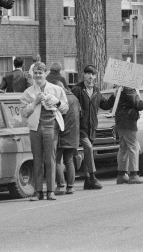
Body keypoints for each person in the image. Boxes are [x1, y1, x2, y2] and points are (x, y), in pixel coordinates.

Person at [20, 62, 68, 201]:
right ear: (32, 74)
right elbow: (23, 113)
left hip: (51, 126)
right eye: (35, 73)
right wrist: (34, 103)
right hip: (35, 127)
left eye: (40, 73)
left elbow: (65, 108)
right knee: (37, 159)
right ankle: (38, 191)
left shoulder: (57, 89)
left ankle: (51, 191)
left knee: (50, 159)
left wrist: (56, 102)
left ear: (46, 73)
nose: (38, 75)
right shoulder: (28, 92)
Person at [71, 65, 115, 189]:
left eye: (93, 74)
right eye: (88, 74)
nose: (90, 76)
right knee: (89, 148)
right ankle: (93, 176)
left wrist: (114, 96)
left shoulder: (96, 91)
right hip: (80, 127)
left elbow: (105, 105)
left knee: (87, 153)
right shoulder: (77, 90)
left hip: (92, 127)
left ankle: (87, 181)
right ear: (84, 74)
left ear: (96, 76)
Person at [115, 86, 143, 184]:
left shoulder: (121, 89)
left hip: (120, 121)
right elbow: (138, 103)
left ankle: (121, 175)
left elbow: (132, 104)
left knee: (123, 148)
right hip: (128, 121)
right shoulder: (129, 89)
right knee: (134, 147)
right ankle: (133, 175)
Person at [53, 81, 80, 195]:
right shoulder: (74, 98)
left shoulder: (60, 100)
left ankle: (60, 185)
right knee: (68, 160)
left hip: (62, 133)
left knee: (56, 159)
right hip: (73, 133)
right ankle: (70, 186)